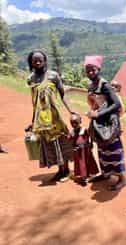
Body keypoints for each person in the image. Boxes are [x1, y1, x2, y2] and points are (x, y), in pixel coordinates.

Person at [26, 50, 76, 182]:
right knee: (50, 144)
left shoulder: (53, 76)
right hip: (42, 119)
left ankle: (66, 170)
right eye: (34, 60)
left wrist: (71, 110)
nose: (37, 62)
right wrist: (33, 121)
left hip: (55, 116)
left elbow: (63, 94)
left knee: (61, 141)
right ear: (31, 63)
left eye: (40, 60)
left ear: (45, 61)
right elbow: (34, 102)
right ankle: (60, 170)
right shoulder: (30, 79)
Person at [85, 55, 126, 191]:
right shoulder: (92, 85)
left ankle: (123, 179)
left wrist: (98, 113)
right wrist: (93, 111)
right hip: (100, 123)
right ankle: (106, 173)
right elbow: (96, 103)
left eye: (93, 70)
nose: (91, 72)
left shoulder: (104, 85)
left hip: (109, 123)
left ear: (99, 69)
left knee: (115, 150)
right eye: (88, 70)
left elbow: (115, 104)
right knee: (102, 150)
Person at [70, 114, 99, 186]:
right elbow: (70, 139)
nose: (74, 125)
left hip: (86, 150)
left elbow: (90, 136)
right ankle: (83, 177)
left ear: (80, 122)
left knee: (88, 161)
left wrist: (91, 143)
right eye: (72, 123)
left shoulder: (84, 130)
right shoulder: (72, 132)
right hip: (78, 152)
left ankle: (89, 174)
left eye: (76, 122)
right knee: (81, 164)